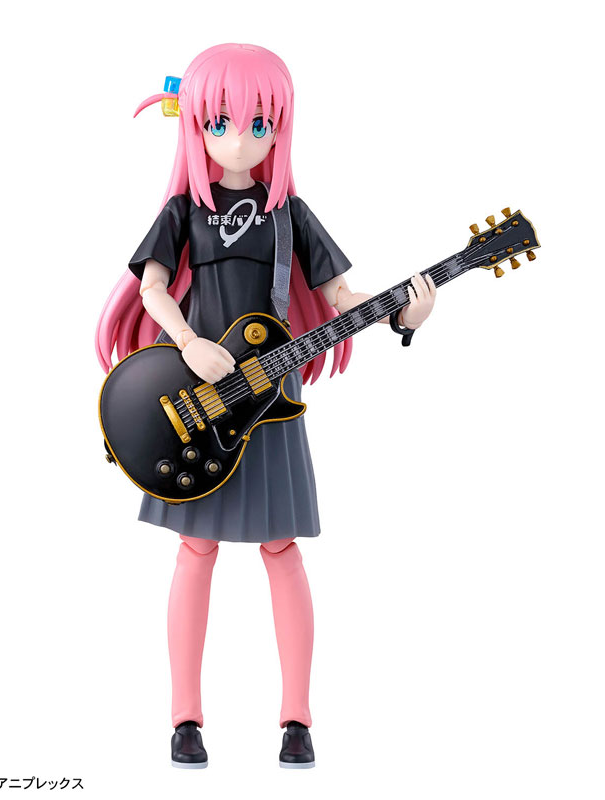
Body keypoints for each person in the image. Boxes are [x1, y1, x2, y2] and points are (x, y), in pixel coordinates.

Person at [94, 43, 436, 769]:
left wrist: (402, 312)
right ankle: (185, 718)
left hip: (271, 403)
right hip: (196, 395)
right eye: (220, 122)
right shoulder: (184, 210)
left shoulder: (290, 216)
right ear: (194, 122)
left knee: (282, 549)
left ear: (281, 126)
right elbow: (152, 287)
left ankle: (297, 720)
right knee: (196, 549)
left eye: (260, 122)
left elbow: (340, 295)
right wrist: (188, 343)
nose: (241, 138)